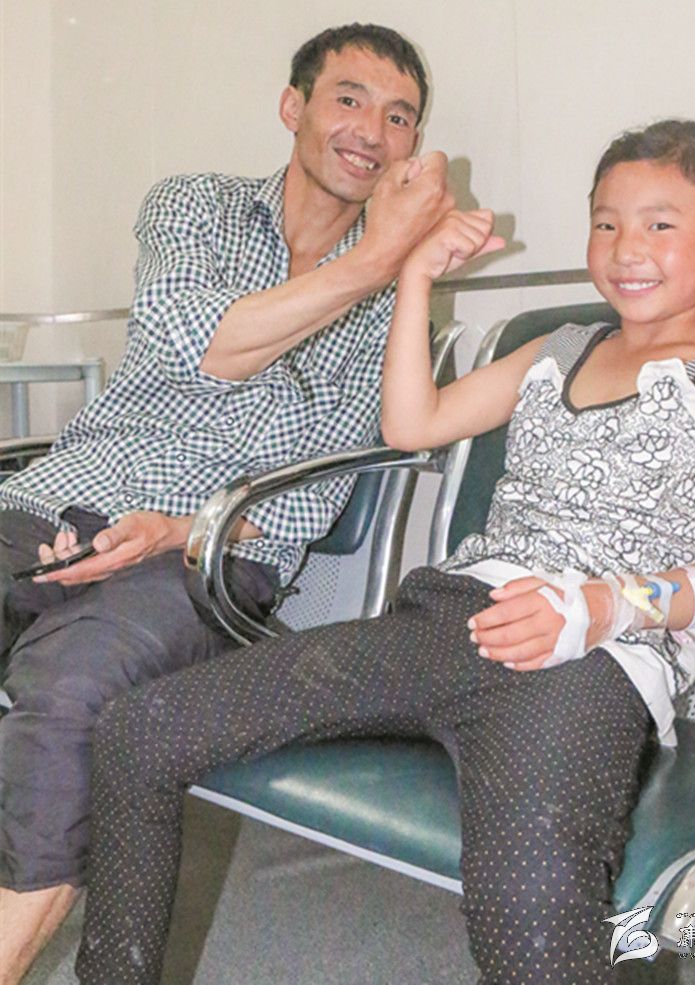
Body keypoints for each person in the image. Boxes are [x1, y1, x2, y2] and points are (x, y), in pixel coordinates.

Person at [75, 119, 695, 985]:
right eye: (606, 222)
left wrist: (599, 607)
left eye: (660, 224)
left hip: (592, 655)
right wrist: (414, 274)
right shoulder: (561, 348)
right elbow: (413, 424)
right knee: (139, 729)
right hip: (448, 620)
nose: (625, 248)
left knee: (530, 909)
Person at [0, 23, 453, 985]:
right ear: (293, 107)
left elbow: (321, 486)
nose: (372, 131)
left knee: (74, 697)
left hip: (204, 557)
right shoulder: (193, 206)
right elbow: (200, 343)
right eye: (349, 99)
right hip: (55, 501)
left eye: (399, 117)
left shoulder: (397, 300)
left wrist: (179, 529)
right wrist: (376, 256)